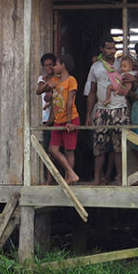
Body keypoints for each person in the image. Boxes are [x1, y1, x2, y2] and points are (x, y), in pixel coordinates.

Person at [85, 37, 127, 185]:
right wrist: (89, 115)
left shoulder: (121, 65)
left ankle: (121, 178)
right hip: (101, 110)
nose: (112, 51)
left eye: (113, 48)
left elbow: (130, 83)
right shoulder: (95, 67)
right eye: (108, 48)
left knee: (118, 147)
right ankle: (97, 179)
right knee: (99, 147)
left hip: (119, 109)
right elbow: (92, 92)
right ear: (102, 49)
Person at [47, 54, 80, 184]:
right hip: (58, 120)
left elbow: (70, 102)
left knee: (68, 149)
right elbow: (41, 92)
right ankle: (71, 173)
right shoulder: (55, 80)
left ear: (63, 65)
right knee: (52, 149)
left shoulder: (71, 80)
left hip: (70, 118)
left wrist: (69, 121)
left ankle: (69, 177)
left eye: (56, 64)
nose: (54, 67)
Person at [35, 53, 59, 183]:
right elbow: (43, 93)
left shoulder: (60, 79)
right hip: (46, 119)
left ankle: (59, 178)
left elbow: (49, 96)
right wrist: (50, 84)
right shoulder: (42, 79)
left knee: (59, 149)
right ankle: (50, 179)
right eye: (46, 65)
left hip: (58, 117)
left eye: (51, 64)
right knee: (49, 150)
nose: (49, 67)